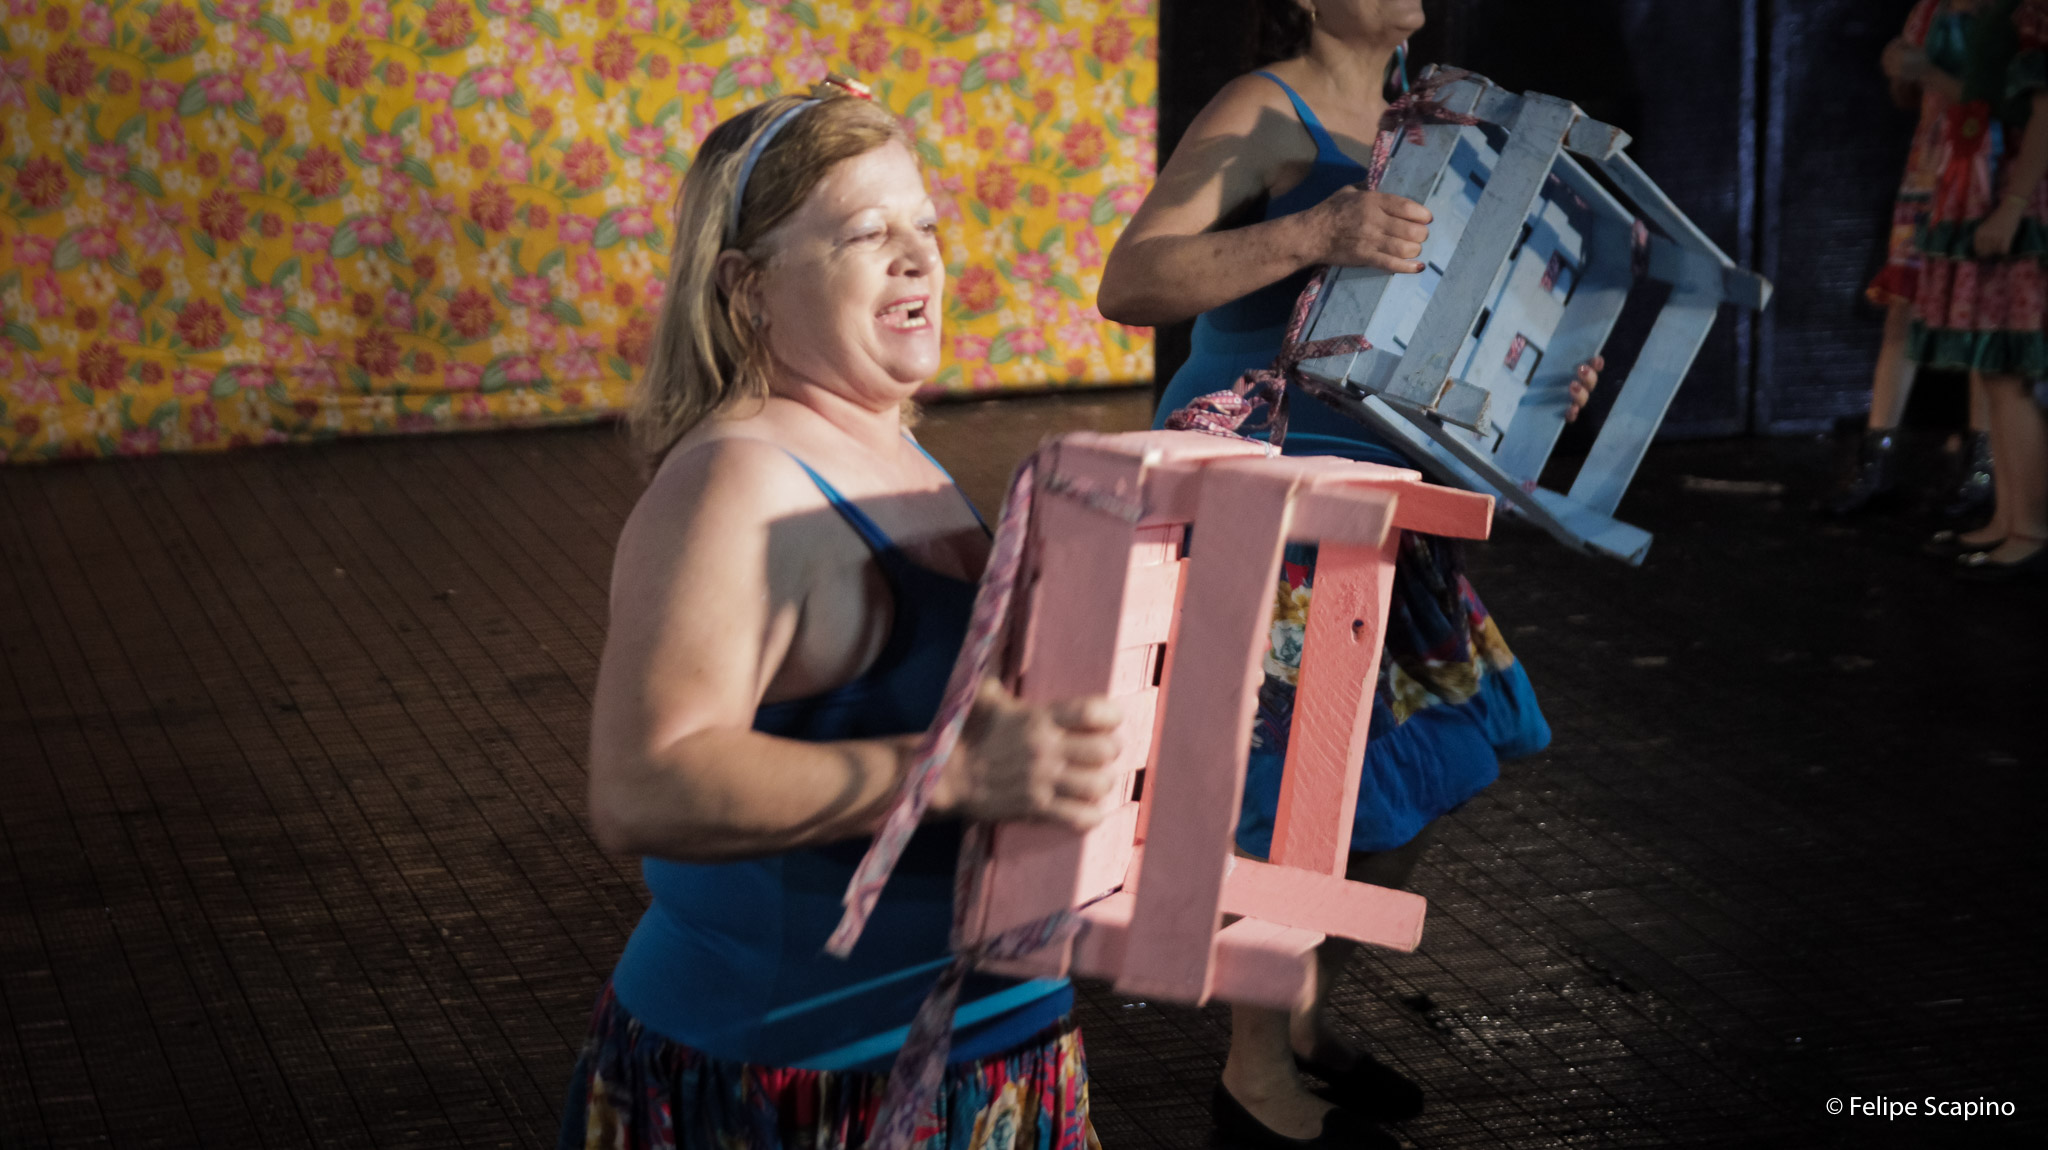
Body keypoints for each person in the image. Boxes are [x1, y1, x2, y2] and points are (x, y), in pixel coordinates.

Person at [560, 80, 1125, 1149]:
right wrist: (949, 772)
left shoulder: (890, 445)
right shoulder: (736, 483)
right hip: (796, 1084)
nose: (918, 259)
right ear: (749, 286)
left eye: (926, 227)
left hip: (987, 1052)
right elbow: (640, 786)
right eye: (868, 234)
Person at [1099, 3, 1600, 1147]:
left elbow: (1442, 321)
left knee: (1431, 760)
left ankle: (1299, 1010)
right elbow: (1129, 282)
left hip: (1378, 501)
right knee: (1294, 793)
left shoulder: (1432, 117)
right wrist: (1312, 231)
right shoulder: (1262, 109)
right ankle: (1252, 1074)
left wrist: (1535, 381)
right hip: (1265, 494)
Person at [1828, 0, 1994, 519]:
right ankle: (1875, 462)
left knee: (1982, 318)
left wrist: (1929, 72)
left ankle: (1983, 470)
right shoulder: (1931, 9)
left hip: (1986, 175)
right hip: (1928, 174)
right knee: (1904, 313)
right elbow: (1909, 96)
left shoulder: (2013, 12)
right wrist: (1902, 72)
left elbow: (2004, 101)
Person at [1910, 0, 2048, 579]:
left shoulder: (2034, 10)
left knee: (2012, 370)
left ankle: (2031, 528)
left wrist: (2012, 206)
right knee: (1995, 368)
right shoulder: (2003, 10)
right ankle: (2009, 518)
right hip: (1990, 183)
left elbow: (2044, 111)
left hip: (2021, 192)